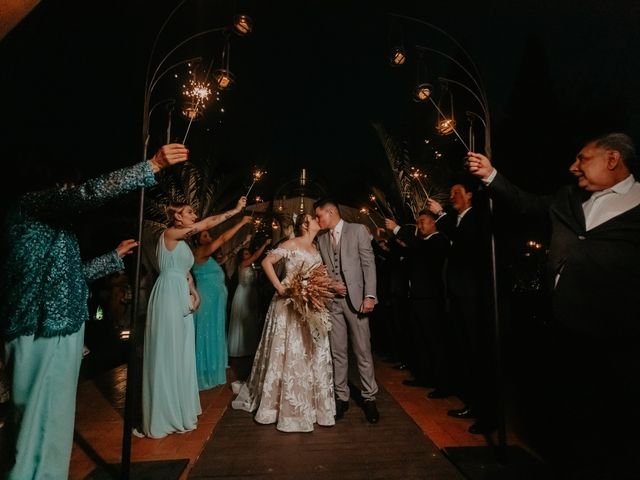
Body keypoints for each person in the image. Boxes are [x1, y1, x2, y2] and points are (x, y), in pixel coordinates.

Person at [0, 143, 189, 479]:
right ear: (55, 185)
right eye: (67, 187)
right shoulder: (30, 205)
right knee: (30, 427)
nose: (71, 193)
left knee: (54, 424)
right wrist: (152, 166)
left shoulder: (55, 227)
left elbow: (74, 275)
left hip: (63, 329)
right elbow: (88, 194)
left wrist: (113, 257)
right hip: (38, 328)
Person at [467, 132, 640, 477]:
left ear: (612, 159)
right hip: (567, 327)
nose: (573, 166)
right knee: (574, 413)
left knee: (620, 418)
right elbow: (524, 202)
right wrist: (490, 175)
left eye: (582, 158)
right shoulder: (567, 198)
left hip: (621, 335)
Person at [139, 195, 247, 439]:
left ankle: (180, 407)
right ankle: (163, 414)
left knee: (182, 350)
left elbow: (186, 272)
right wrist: (236, 210)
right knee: (168, 350)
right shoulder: (169, 234)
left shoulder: (184, 244)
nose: (194, 216)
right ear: (178, 216)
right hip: (167, 294)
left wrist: (194, 292)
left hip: (181, 293)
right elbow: (206, 225)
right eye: (190, 212)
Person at [231, 214, 337, 432]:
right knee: (289, 351)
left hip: (310, 306)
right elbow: (266, 261)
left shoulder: (317, 248)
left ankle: (311, 405)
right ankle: (281, 407)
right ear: (306, 224)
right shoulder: (291, 244)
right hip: (289, 304)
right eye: (314, 217)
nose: (318, 219)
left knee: (310, 351)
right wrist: (280, 287)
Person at [427, 177, 496, 435]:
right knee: (466, 353)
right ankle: (473, 404)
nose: (452, 195)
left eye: (456, 192)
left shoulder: (476, 217)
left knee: (479, 355)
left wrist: (440, 215)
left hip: (473, 298)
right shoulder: (457, 221)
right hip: (457, 296)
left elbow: (467, 241)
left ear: (469, 195)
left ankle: (488, 415)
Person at [314, 198, 380, 423]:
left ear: (331, 212)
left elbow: (368, 264)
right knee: (338, 352)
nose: (317, 220)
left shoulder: (358, 230)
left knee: (362, 351)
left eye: (318, 215)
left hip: (358, 302)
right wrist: (330, 286)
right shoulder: (321, 238)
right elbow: (321, 271)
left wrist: (369, 296)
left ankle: (369, 398)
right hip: (334, 303)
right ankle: (341, 398)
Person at [384, 210, 452, 399]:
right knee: (419, 339)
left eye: (423, 222)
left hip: (430, 300)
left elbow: (417, 248)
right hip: (415, 298)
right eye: (418, 223)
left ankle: (443, 385)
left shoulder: (438, 240)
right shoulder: (421, 244)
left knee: (434, 342)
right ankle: (424, 376)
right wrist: (393, 238)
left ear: (434, 223)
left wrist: (397, 228)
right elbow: (403, 252)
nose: (419, 226)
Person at [191, 215, 252, 390]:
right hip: (207, 301)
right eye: (204, 236)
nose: (208, 238)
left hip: (214, 302)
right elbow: (224, 238)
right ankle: (203, 373)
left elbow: (230, 254)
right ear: (196, 240)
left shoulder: (208, 257)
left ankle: (212, 369)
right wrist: (240, 222)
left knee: (213, 332)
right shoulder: (200, 253)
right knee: (206, 333)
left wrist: (244, 242)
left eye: (209, 235)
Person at [227, 238, 271, 358]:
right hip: (242, 294)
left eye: (248, 253)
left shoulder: (250, 266)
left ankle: (249, 347)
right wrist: (265, 244)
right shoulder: (243, 264)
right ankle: (240, 349)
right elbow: (257, 255)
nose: (248, 255)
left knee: (250, 321)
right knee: (242, 321)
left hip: (251, 294)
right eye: (245, 254)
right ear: (241, 257)